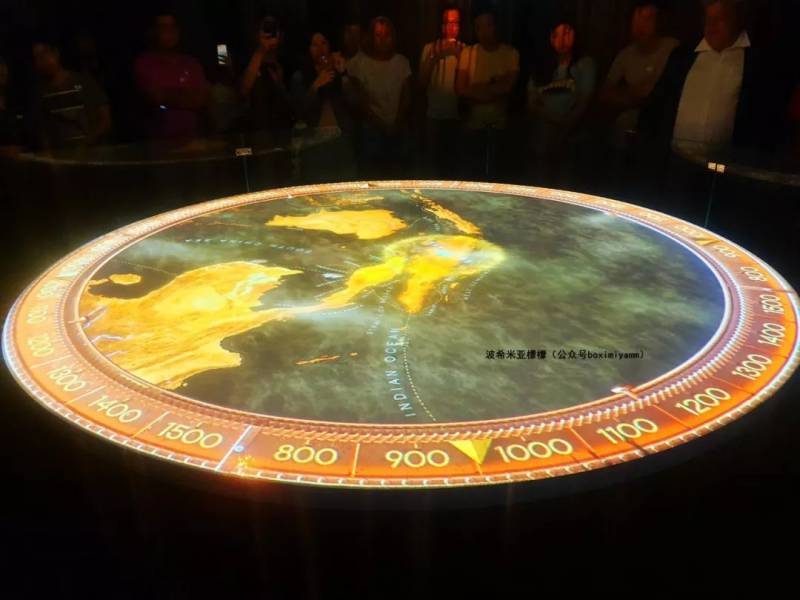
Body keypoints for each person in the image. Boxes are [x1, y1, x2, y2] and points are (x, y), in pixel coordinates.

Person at [639, 0, 774, 150]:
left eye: (720, 18)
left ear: (737, 19)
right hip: (674, 159)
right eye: (708, 19)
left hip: (726, 163)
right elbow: (655, 108)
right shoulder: (681, 57)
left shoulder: (757, 63)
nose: (712, 25)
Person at [598, 1, 678, 147]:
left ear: (658, 22)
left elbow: (657, 92)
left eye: (648, 19)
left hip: (665, 121)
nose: (641, 26)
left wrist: (628, 94)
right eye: (636, 20)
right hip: (633, 121)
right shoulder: (625, 55)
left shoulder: (671, 48)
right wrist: (634, 95)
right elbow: (605, 93)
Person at [455, 6, 519, 178]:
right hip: (473, 126)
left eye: (488, 25)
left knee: (498, 174)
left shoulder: (510, 54)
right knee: (472, 173)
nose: (484, 32)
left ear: (496, 26)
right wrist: (494, 85)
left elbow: (508, 87)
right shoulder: (468, 53)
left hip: (500, 126)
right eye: (479, 27)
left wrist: (476, 89)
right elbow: (460, 89)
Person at [345, 16, 412, 178]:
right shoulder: (360, 64)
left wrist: (396, 123)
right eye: (378, 35)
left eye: (387, 35)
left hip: (397, 128)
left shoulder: (401, 63)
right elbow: (361, 101)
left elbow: (406, 97)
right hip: (371, 130)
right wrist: (380, 125)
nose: (382, 40)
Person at [290, 31, 357, 182]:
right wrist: (315, 86)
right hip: (314, 143)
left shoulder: (339, 73)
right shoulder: (299, 77)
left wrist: (344, 74)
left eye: (324, 43)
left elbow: (354, 103)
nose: (320, 49)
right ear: (308, 49)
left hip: (340, 140)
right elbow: (299, 112)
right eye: (315, 45)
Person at [527, 21, 596, 168]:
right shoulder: (540, 66)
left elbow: (584, 101)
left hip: (572, 142)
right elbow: (531, 102)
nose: (562, 40)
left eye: (567, 33)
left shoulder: (585, 64)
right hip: (542, 142)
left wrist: (565, 125)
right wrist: (554, 120)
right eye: (556, 34)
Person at [134, 12, 210, 141]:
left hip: (193, 141)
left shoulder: (191, 63)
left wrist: (169, 96)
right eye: (163, 27)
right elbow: (156, 97)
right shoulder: (144, 63)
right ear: (153, 32)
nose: (170, 32)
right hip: (159, 143)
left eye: (173, 27)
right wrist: (186, 96)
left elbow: (202, 99)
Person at [30, 40, 112, 150]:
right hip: (61, 156)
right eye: (36, 57)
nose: (41, 61)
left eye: (44, 54)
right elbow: (42, 131)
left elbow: (105, 120)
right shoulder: (40, 93)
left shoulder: (84, 81)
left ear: (56, 53)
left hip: (92, 153)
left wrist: (86, 144)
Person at [419, 4, 465, 178]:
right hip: (434, 116)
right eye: (447, 22)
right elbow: (421, 83)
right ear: (441, 25)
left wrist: (459, 56)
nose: (450, 27)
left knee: (455, 167)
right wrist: (435, 57)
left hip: (458, 117)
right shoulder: (429, 48)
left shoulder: (466, 49)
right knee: (432, 168)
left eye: (455, 23)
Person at [240, 15, 295, 143]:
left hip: (281, 132)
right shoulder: (252, 62)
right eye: (266, 28)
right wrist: (261, 49)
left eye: (273, 28)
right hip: (260, 133)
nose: (269, 32)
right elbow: (243, 91)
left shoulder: (281, 65)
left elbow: (286, 101)